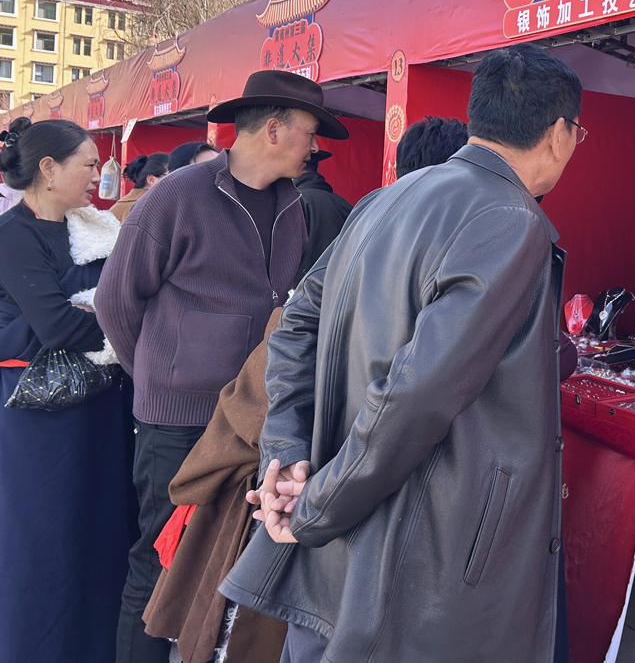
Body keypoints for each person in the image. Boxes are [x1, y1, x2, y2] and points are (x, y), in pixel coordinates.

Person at [220, 44, 581, 663]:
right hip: (423, 559)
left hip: (347, 534)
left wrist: (289, 457)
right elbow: (416, 395)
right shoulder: (510, 218)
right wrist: (313, 504)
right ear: (558, 133)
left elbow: (294, 327)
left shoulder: (385, 198)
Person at [142, 116, 472, 663]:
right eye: (310, 134)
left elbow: (290, 331)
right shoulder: (418, 234)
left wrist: (284, 451)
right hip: (326, 487)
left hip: (302, 476)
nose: (315, 148)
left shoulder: (358, 222)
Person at [96, 71, 348, 663]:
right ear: (273, 129)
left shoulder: (293, 205)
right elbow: (115, 302)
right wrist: (158, 377)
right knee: (159, 561)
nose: (315, 148)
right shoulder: (178, 195)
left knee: (213, 560)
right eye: (310, 132)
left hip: (249, 420)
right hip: (178, 423)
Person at [0, 116, 134, 663]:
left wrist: (104, 315)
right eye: (88, 163)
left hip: (100, 406)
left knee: (101, 529)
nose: (99, 174)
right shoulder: (15, 234)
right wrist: (123, 325)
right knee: (44, 539)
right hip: (39, 414)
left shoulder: (96, 228)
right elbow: (58, 326)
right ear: (48, 169)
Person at [291, 150, 352, 290]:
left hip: (301, 297)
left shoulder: (291, 205)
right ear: (317, 167)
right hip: (341, 295)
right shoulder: (346, 206)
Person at [111, 153, 169, 223]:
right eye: (171, 176)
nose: (176, 181)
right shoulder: (150, 207)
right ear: (151, 180)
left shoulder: (119, 207)